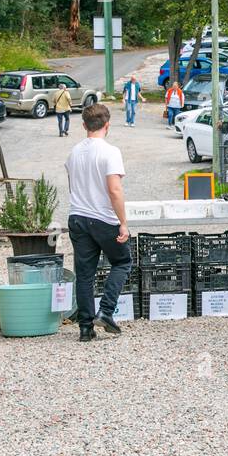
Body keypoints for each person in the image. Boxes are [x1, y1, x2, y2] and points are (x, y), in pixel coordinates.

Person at [65, 103, 131, 342]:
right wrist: (123, 222)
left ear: (84, 125)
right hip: (103, 217)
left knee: (84, 274)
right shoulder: (110, 151)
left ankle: (85, 327)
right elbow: (114, 190)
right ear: (107, 125)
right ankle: (106, 310)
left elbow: (73, 186)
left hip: (77, 217)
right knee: (122, 261)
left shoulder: (73, 153)